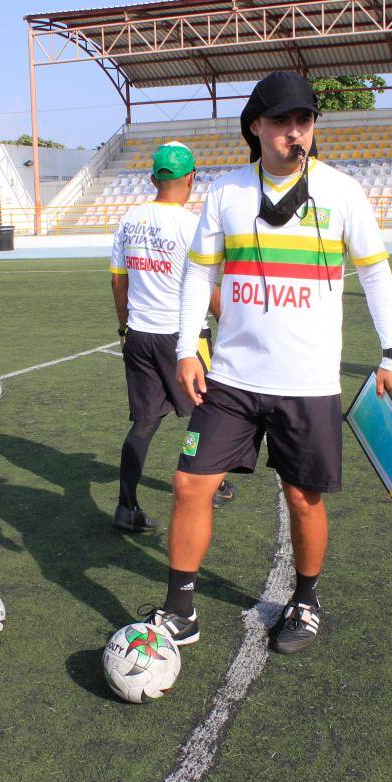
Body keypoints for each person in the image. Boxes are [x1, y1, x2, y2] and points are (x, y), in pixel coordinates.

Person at [139, 71, 392, 655]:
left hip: (308, 382)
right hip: (231, 378)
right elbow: (199, 275)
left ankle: (305, 601)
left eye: (304, 121)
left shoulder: (342, 191)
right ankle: (180, 611)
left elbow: (374, 272)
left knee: (303, 497)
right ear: (255, 128)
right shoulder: (226, 192)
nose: (296, 132)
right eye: (282, 121)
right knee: (189, 483)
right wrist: (187, 348)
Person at [109, 142, 236, 534]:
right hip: (183, 337)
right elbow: (206, 287)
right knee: (210, 412)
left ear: (153, 179)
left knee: (145, 423)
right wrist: (232, 326)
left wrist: (124, 327)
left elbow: (118, 280)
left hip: (139, 334)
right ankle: (209, 485)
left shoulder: (129, 219)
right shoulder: (192, 225)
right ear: (191, 178)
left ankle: (126, 506)